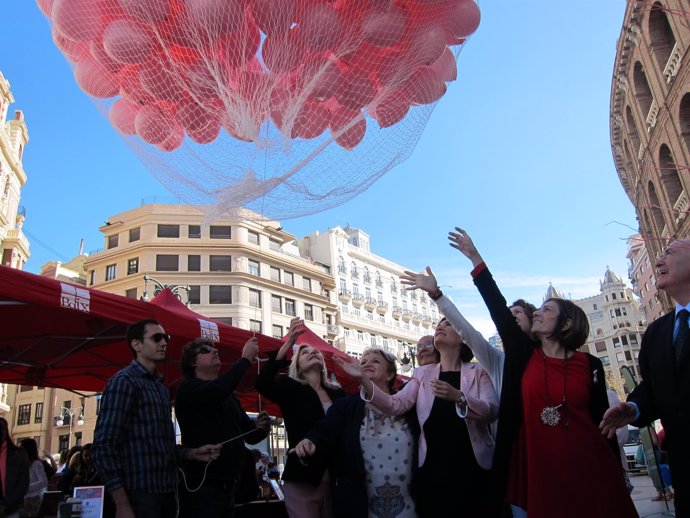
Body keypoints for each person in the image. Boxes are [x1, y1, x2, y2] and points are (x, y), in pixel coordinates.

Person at [338, 319, 498, 518]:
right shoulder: (422, 373)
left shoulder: (478, 371)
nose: (440, 326)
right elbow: (394, 405)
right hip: (433, 471)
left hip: (473, 469)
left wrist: (459, 397)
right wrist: (363, 379)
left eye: (448, 324)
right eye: (438, 325)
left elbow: (491, 411)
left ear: (461, 338)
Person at [92, 319, 220, 518]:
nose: (164, 343)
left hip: (167, 492)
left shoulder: (160, 386)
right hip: (138, 494)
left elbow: (160, 446)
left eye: (165, 338)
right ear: (136, 345)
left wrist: (191, 453)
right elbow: (104, 446)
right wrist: (122, 503)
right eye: (156, 338)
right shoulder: (124, 382)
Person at [602, 239, 690, 517]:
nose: (659, 261)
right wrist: (634, 407)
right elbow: (653, 387)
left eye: (669, 253)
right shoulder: (656, 332)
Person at [292, 348, 417, 518]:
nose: (367, 364)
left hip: (408, 508)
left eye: (375, 361)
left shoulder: (408, 406)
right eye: (363, 362)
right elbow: (325, 429)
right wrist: (310, 441)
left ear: (389, 375)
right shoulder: (346, 406)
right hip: (359, 507)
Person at [255, 317, 346, 518]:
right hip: (303, 474)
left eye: (316, 352)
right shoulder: (290, 388)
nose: (313, 352)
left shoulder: (338, 393)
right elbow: (262, 383)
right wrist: (287, 343)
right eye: (305, 352)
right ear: (297, 364)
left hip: (336, 475)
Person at [175, 336, 271, 518]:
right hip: (203, 488)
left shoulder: (229, 396)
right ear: (192, 363)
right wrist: (244, 360)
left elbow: (249, 435)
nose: (214, 351)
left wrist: (261, 428)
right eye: (205, 350)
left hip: (231, 487)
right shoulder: (188, 389)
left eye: (213, 349)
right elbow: (216, 392)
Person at [0, 417, 29, 518]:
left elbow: (23, 484)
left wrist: (6, 504)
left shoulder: (19, 454)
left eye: (1, 428)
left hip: (12, 509)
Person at [19, 438, 47, 518]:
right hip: (24, 500)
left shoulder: (36, 464)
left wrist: (27, 487)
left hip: (33, 500)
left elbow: (44, 481)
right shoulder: (24, 465)